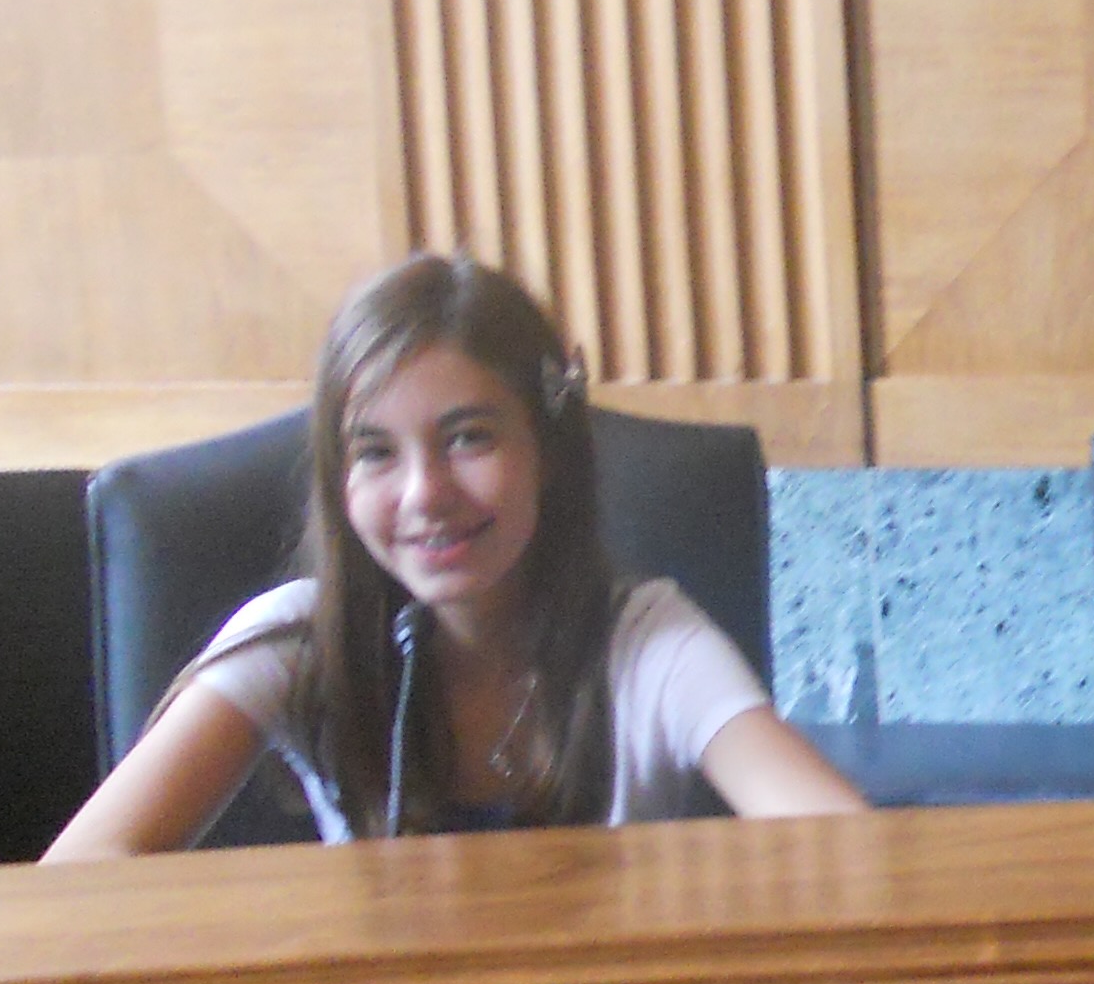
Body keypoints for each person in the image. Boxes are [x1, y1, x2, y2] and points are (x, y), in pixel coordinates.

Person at [45, 256, 866, 857]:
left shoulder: (646, 641)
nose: (424, 494)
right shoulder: (299, 638)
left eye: (468, 438)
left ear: (548, 449)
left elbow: (852, 855)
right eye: (376, 453)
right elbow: (82, 879)